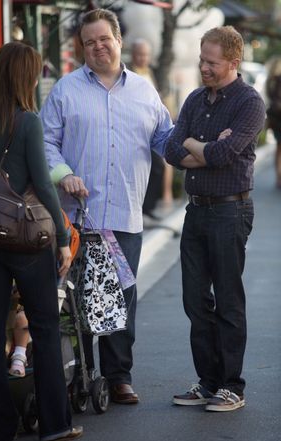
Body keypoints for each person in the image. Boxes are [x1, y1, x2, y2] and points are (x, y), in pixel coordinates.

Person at [40, 8, 173, 404]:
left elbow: (166, 140)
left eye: (104, 39)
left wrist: (203, 151)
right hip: (75, 219)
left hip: (124, 216)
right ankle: (79, 373)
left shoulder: (145, 92)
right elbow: (44, 143)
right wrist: (63, 173)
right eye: (90, 41)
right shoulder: (65, 90)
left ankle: (118, 377)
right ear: (82, 47)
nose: (98, 47)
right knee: (76, 300)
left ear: (119, 40)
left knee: (121, 300)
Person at [0, 42, 83, 441]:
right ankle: (55, 425)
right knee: (46, 328)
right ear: (24, 77)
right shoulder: (26, 121)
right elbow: (45, 189)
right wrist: (63, 239)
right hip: (27, 243)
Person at [165, 26, 266, 412]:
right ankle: (208, 382)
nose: (203, 67)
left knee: (227, 299)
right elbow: (173, 150)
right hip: (196, 209)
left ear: (232, 62)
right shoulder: (194, 99)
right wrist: (203, 147)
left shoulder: (249, 103)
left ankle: (231, 386)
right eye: (201, 59)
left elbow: (224, 156)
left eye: (211, 61)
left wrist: (203, 148)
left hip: (230, 209)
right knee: (194, 301)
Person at [130, 38, 174, 220]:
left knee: (157, 167)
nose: (143, 58)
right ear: (133, 55)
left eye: (145, 54)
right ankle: (141, 208)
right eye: (139, 54)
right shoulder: (127, 73)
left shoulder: (152, 72)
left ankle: (148, 206)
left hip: (153, 127)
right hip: (135, 128)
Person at [266, 56, 281, 188]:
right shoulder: (278, 80)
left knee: (278, 148)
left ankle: (278, 177)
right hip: (278, 118)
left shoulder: (269, 80)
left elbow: (269, 99)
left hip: (274, 118)